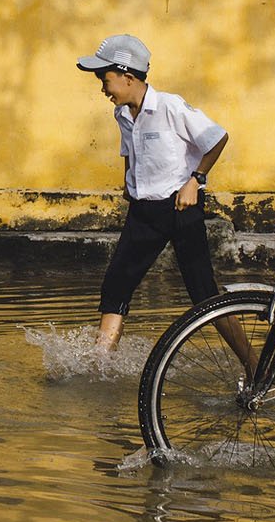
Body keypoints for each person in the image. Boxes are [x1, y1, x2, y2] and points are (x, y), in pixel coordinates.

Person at [77, 34, 239, 356]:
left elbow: (217, 138)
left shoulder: (170, 106)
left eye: (105, 80)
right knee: (115, 286)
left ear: (128, 77)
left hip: (180, 209)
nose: (103, 90)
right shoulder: (122, 113)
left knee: (205, 295)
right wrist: (129, 181)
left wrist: (196, 180)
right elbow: (129, 149)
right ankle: (100, 363)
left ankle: (253, 364)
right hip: (143, 213)